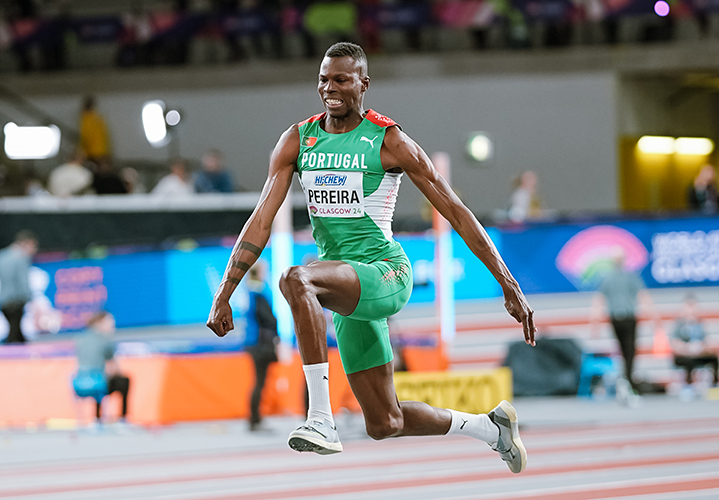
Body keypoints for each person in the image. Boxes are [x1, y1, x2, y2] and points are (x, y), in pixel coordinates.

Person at [207, 42, 536, 474]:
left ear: (364, 83)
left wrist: (509, 284)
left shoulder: (389, 141)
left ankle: (320, 418)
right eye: (323, 79)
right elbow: (260, 220)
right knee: (384, 422)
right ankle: (490, 427)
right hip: (343, 288)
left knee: (296, 278)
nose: (329, 88)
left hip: (385, 273)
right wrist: (224, 292)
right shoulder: (298, 140)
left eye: (341, 79)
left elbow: (456, 212)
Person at [591, 247, 658, 394]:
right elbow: (643, 296)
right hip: (626, 318)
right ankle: (627, 380)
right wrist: (653, 318)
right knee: (629, 350)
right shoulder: (628, 277)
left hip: (618, 318)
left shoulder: (611, 278)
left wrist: (595, 324)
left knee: (624, 349)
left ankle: (626, 378)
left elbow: (598, 301)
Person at [75, 311, 131, 423]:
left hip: (78, 383)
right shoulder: (106, 340)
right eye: (110, 322)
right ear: (100, 323)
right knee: (123, 381)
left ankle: (97, 419)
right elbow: (114, 367)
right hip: (97, 382)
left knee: (101, 381)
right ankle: (123, 419)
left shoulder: (80, 338)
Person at [243, 262, 279, 431]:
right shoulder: (257, 292)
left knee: (258, 381)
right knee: (259, 381)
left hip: (253, 341)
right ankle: (254, 419)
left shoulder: (249, 291)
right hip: (260, 343)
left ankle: (255, 418)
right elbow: (267, 318)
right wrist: (276, 335)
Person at [670, 293, 718, 392]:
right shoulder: (679, 324)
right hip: (685, 354)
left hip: (697, 354)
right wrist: (686, 348)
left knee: (713, 358)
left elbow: (706, 341)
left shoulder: (700, 324)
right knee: (688, 361)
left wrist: (702, 347)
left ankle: (715, 384)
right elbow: (674, 342)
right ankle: (688, 385)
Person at [0, 231, 38, 344]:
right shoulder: (21, 257)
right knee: (15, 335)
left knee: (15, 332)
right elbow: (23, 281)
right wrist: (30, 298)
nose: (34, 250)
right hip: (16, 300)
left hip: (4, 300)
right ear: (26, 243)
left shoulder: (2, 256)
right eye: (33, 246)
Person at [79, 95, 111, 164]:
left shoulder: (87, 118)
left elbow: (86, 135)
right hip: (101, 150)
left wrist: (83, 150)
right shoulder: (98, 117)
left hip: (91, 151)